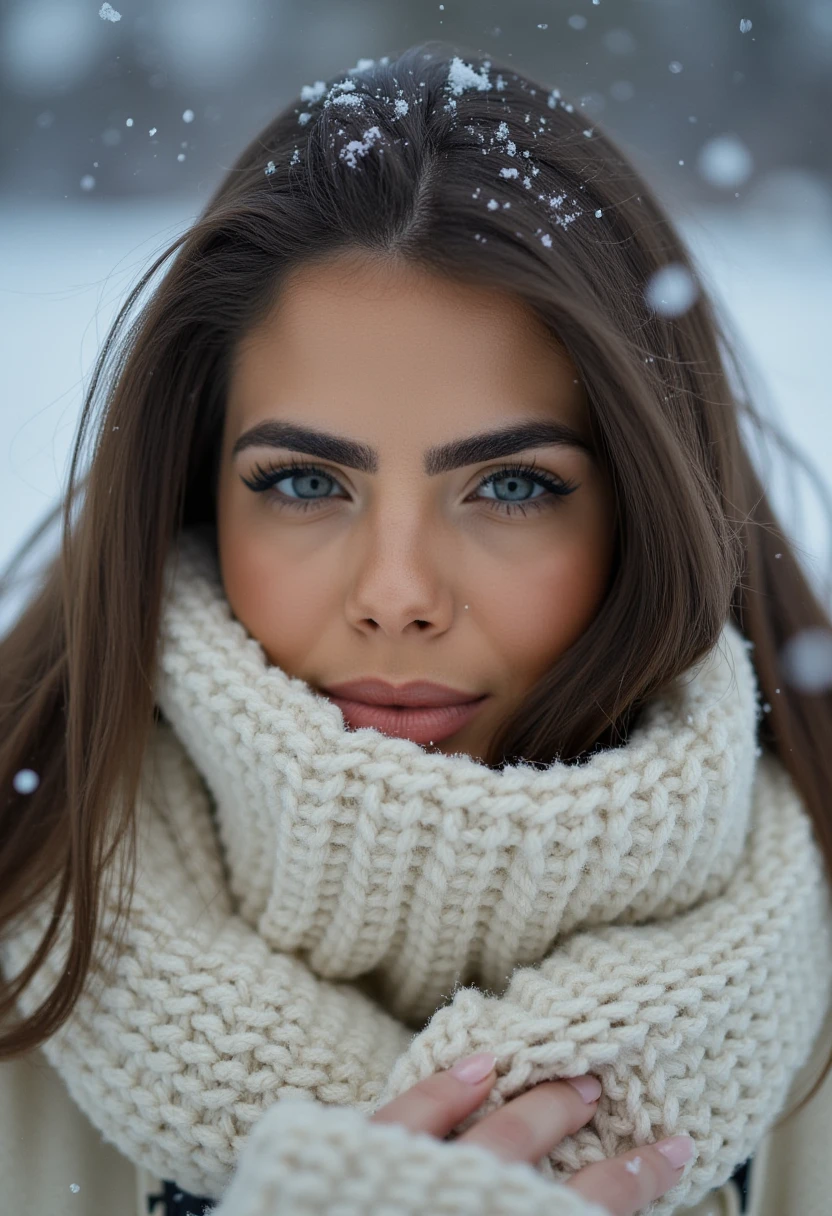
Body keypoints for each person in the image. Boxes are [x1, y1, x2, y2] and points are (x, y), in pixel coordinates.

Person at [1, 39, 832, 1216]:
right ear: (191, 494)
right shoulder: (24, 936)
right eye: (302, 482)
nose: (397, 592)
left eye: (512, 485)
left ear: (646, 509)